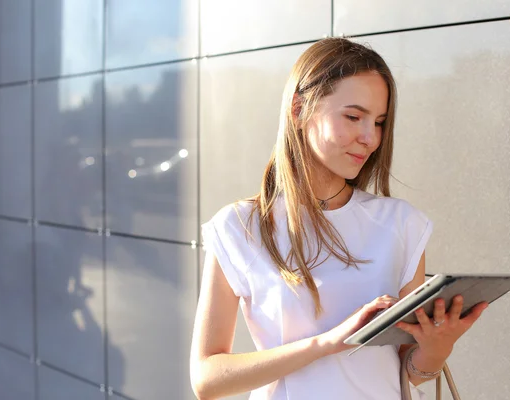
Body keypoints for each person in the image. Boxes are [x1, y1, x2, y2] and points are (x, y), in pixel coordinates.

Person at [190, 37, 489, 400]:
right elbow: (207, 379)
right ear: (299, 110)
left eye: (379, 122)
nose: (370, 138)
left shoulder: (401, 225)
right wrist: (328, 342)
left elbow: (410, 370)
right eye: (353, 116)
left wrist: (437, 347)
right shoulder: (242, 226)